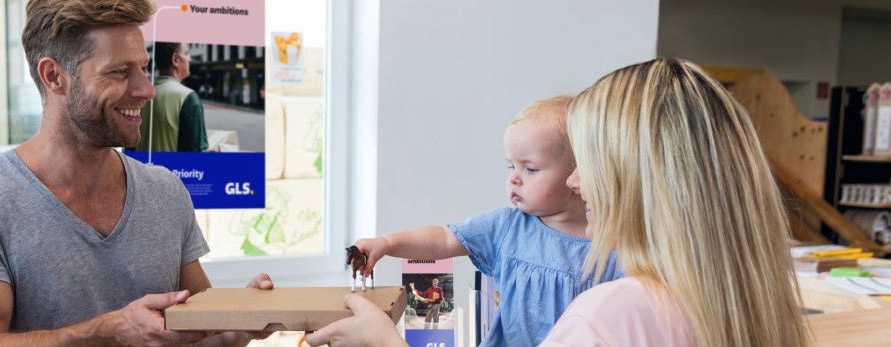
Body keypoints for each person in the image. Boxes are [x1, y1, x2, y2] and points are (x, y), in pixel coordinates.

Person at [305, 58, 811, 347]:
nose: (578, 181)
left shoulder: (610, 317)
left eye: (587, 160)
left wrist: (387, 344)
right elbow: (443, 236)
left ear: (629, 175)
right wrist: (391, 242)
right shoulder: (740, 300)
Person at [0, 1, 271, 346]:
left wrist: (238, 327)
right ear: (54, 76)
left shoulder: (165, 191)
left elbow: (197, 338)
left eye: (143, 68)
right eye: (120, 72)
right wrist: (110, 330)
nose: (146, 90)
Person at [348, 95, 620, 346]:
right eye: (511, 166)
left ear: (582, 169)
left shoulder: (613, 245)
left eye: (531, 168)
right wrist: (388, 242)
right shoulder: (508, 228)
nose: (514, 178)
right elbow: (444, 239)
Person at [140, 41, 208, 152]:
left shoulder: (142, 96)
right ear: (175, 59)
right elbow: (196, 156)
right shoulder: (188, 98)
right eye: (186, 53)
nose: (190, 59)